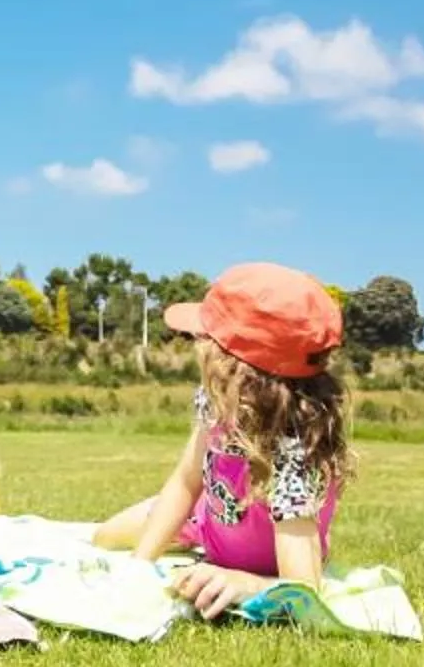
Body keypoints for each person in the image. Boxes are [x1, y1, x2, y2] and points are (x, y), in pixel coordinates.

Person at [93, 261, 352, 616]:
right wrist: (140, 566)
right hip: (206, 524)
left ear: (234, 361)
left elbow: (303, 589)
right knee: (104, 537)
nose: (198, 343)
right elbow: (186, 481)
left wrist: (246, 583)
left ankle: (309, 536)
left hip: (268, 557)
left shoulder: (296, 446)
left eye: (207, 337)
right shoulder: (218, 400)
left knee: (287, 562)